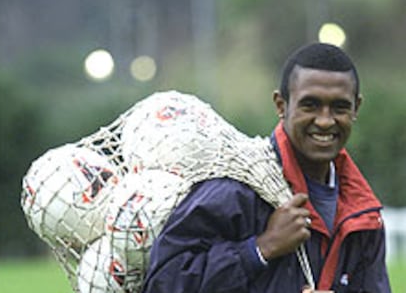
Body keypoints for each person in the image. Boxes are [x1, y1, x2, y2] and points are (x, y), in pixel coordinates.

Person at [141, 43, 392, 292]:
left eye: (340, 107)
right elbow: (163, 283)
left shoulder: (363, 214)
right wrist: (260, 249)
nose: (325, 121)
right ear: (281, 105)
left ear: (356, 108)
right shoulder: (234, 188)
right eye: (310, 105)